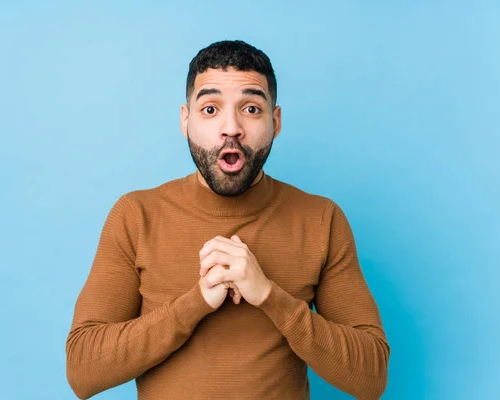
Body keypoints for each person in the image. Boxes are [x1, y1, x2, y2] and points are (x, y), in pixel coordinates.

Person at [65, 40, 390, 400]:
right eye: (210, 109)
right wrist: (197, 302)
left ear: (275, 121)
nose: (231, 127)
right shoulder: (136, 215)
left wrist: (268, 295)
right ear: (185, 120)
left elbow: (371, 378)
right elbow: (83, 370)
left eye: (251, 108)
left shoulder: (321, 219)